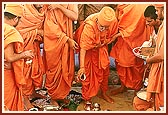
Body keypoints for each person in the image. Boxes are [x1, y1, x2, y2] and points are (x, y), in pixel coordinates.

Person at [76, 6, 118, 104]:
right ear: (98, 21)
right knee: (87, 74)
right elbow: (83, 48)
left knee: (104, 72)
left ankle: (103, 93)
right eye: (103, 27)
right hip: (89, 53)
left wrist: (104, 43)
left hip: (102, 49)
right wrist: (81, 67)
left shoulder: (113, 21)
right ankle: (87, 98)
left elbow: (112, 37)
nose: (105, 29)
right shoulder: (90, 26)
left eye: (107, 27)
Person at [110, 4, 152, 95]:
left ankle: (137, 89)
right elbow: (118, 17)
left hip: (136, 39)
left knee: (136, 65)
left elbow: (135, 27)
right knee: (120, 63)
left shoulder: (139, 6)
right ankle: (123, 86)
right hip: (123, 39)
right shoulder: (123, 5)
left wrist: (117, 35)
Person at [43, 4, 79, 105]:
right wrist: (66, 39)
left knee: (66, 68)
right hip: (54, 42)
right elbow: (50, 27)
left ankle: (62, 95)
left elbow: (74, 16)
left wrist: (59, 6)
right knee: (54, 69)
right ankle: (53, 97)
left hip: (67, 40)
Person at [133, 4, 164, 111]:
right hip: (154, 62)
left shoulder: (163, 29)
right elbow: (153, 44)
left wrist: (149, 60)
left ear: (157, 18)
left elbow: (162, 55)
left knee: (160, 90)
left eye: (149, 21)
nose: (147, 23)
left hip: (161, 66)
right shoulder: (155, 28)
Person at [16, 4, 47, 110]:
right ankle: (24, 98)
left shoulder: (42, 11)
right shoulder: (23, 11)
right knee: (25, 72)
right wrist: (37, 32)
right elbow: (17, 32)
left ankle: (32, 93)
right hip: (23, 48)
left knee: (35, 68)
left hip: (34, 46)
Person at [4, 4, 34, 111]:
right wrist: (25, 54)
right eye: (19, 20)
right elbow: (9, 57)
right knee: (7, 105)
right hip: (6, 74)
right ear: (15, 18)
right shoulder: (10, 31)